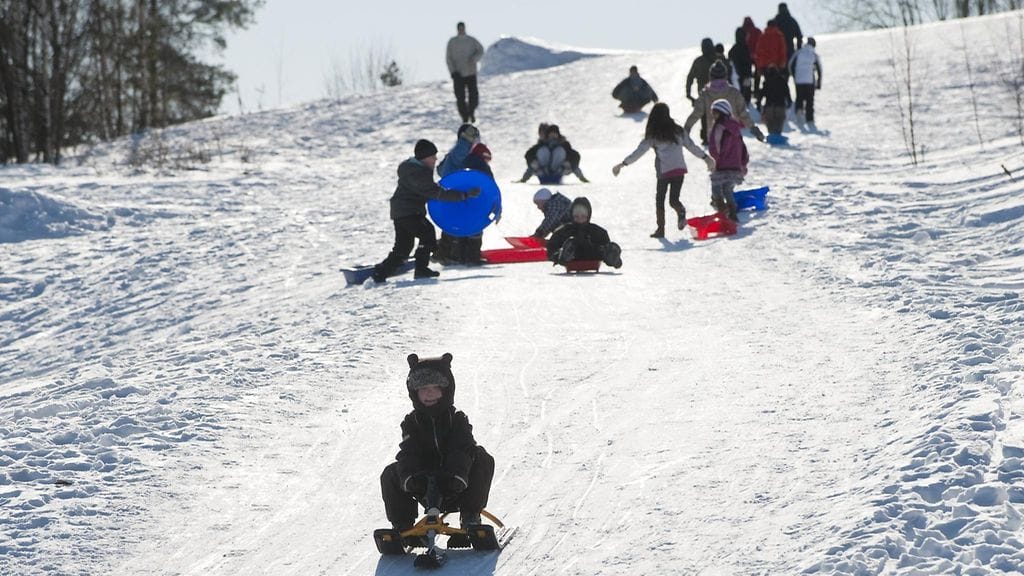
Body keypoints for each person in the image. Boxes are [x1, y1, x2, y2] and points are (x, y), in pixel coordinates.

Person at [380, 353, 495, 545]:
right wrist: (410, 477)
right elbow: (408, 452)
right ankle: (402, 525)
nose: (430, 393)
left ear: (446, 390)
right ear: (414, 392)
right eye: (424, 389)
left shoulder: (457, 419)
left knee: (482, 457)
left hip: (455, 483)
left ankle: (470, 517)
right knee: (391, 472)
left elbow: (463, 447)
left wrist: (457, 474)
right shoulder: (411, 422)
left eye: (435, 388)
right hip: (423, 484)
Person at [371, 140, 480, 283]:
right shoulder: (418, 172)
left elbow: (431, 190)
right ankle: (421, 269)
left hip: (401, 212)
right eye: (432, 156)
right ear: (424, 157)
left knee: (403, 248)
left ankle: (380, 273)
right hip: (409, 212)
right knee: (427, 233)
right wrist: (463, 195)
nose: (435, 159)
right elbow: (435, 192)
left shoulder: (414, 170)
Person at [612, 103, 715, 238]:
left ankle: (661, 229)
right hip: (679, 170)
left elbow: (639, 152)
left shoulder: (653, 135)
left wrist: (623, 164)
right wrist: (706, 158)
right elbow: (691, 146)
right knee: (674, 200)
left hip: (664, 172)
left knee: (660, 200)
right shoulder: (678, 131)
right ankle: (681, 211)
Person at [435, 142, 499, 265]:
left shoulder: (460, 161)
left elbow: (443, 172)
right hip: (475, 204)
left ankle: (455, 255)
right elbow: (490, 188)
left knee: (458, 227)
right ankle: (472, 257)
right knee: (475, 228)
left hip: (456, 202)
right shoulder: (482, 166)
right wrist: (496, 207)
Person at [684, 60, 764, 146]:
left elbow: (696, 114)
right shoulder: (734, 93)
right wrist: (753, 128)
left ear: (710, 77)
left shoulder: (705, 94)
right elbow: (743, 114)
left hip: (713, 137)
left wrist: (686, 130)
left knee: (719, 159)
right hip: (732, 135)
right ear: (725, 76)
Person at [546, 197, 622, 269]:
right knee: (570, 243)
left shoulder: (598, 232)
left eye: (583, 216)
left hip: (593, 256)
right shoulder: (563, 232)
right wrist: (557, 256)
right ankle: (564, 254)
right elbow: (551, 249)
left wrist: (609, 253)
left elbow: (605, 243)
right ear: (572, 216)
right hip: (572, 259)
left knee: (605, 248)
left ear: (588, 216)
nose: (580, 219)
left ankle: (613, 258)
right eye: (576, 216)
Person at [707, 99, 749, 222]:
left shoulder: (719, 127)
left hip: (722, 164)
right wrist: (743, 162)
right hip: (735, 166)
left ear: (722, 113)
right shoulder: (735, 128)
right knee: (727, 189)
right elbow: (742, 146)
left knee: (716, 189)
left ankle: (722, 212)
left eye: (715, 113)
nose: (713, 116)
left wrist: (715, 160)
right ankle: (732, 211)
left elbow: (714, 146)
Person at [518, 124, 588, 183]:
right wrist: (525, 178)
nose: (553, 136)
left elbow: (575, 156)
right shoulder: (541, 145)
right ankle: (544, 172)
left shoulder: (564, 145)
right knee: (543, 151)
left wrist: (569, 164)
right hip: (543, 171)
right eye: (551, 134)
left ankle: (556, 173)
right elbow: (529, 155)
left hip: (559, 170)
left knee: (559, 151)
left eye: (555, 134)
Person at [446, 22, 485, 123]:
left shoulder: (471, 41)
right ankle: (464, 116)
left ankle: (471, 111)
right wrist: (452, 71)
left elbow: (481, 51)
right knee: (460, 97)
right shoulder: (452, 42)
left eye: (462, 28)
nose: (461, 30)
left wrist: (474, 59)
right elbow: (448, 58)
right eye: (459, 28)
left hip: (470, 72)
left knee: (473, 95)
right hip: (458, 74)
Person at [754, 19, 789, 111]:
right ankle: (779, 103)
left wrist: (759, 67)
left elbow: (758, 53)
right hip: (777, 65)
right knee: (779, 84)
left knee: (767, 84)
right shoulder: (779, 35)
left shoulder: (762, 36)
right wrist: (782, 63)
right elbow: (783, 51)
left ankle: (768, 104)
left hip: (765, 66)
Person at [789, 37, 821, 125]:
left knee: (799, 97)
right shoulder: (814, 54)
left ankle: (799, 115)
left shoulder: (799, 52)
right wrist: (819, 82)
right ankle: (809, 118)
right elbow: (819, 69)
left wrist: (794, 76)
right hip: (809, 80)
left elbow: (791, 65)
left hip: (799, 80)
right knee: (809, 100)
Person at [760, 66, 790, 138]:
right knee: (779, 124)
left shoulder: (766, 82)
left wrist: (758, 104)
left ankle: (772, 137)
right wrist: (789, 102)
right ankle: (778, 138)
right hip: (780, 106)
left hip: (769, 106)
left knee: (770, 125)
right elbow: (787, 93)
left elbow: (761, 94)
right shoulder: (782, 81)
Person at [685, 38, 717, 103]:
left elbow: (690, 78)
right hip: (719, 97)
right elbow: (690, 78)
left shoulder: (698, 62)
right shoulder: (719, 59)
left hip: (705, 98)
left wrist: (688, 94)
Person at [729, 27, 755, 105]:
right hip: (746, 76)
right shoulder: (746, 48)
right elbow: (749, 62)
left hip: (736, 77)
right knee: (746, 98)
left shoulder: (733, 49)